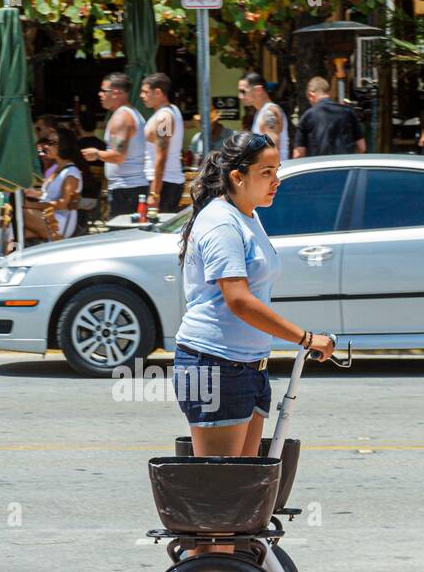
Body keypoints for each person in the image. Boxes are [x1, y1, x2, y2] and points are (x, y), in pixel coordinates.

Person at [172, 132, 335, 466]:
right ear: (237, 176)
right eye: (266, 173)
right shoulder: (221, 223)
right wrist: (304, 338)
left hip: (249, 366)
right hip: (215, 364)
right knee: (221, 491)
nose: (276, 181)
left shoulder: (247, 214)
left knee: (243, 487)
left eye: (277, 171)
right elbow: (239, 300)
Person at [82, 72, 147, 217]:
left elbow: (118, 156)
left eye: (104, 91)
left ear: (116, 93)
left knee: (122, 236)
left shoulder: (121, 118)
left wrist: (96, 154)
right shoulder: (132, 113)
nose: (100, 94)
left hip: (126, 191)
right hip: (130, 189)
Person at [23, 127, 82, 241]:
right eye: (47, 142)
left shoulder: (71, 173)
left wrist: (31, 205)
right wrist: (33, 194)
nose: (46, 146)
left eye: (52, 143)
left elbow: (62, 204)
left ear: (64, 145)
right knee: (11, 229)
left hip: (59, 223)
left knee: (18, 213)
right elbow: (48, 196)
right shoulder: (56, 168)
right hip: (47, 216)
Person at [140, 73, 186, 213]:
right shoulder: (171, 111)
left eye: (145, 92)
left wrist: (155, 193)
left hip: (164, 184)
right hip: (165, 182)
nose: (142, 96)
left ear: (158, 92)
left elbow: (161, 157)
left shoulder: (164, 118)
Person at [293, 76, 365, 158]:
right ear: (328, 93)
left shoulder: (307, 116)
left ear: (311, 95)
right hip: (345, 167)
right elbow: (362, 147)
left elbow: (298, 154)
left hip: (319, 168)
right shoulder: (348, 112)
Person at [237, 73, 288, 161]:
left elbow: (272, 150)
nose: (240, 96)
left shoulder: (269, 112)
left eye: (243, 91)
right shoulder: (261, 112)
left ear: (258, 90)